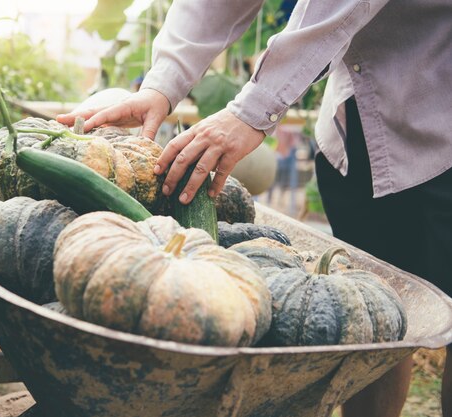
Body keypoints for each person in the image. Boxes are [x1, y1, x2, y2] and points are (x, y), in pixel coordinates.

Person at [58, 1, 452, 415]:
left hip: (441, 120)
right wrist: (161, 85)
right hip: (357, 127)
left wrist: (250, 112)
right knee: (380, 320)